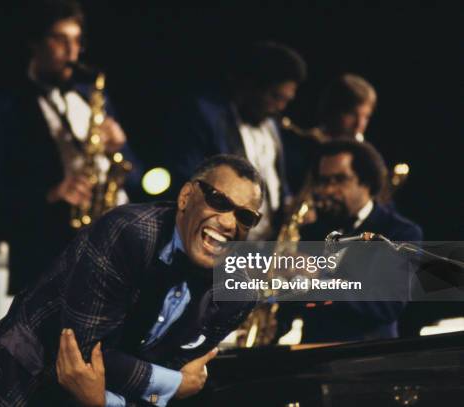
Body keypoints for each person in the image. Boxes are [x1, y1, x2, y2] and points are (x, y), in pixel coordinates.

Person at [0, 154, 262, 406]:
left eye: (245, 217)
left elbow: (165, 380)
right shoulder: (128, 233)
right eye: (218, 201)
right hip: (25, 384)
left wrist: (107, 402)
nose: (228, 222)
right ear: (186, 197)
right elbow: (80, 357)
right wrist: (174, 383)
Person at [0, 0, 142, 295]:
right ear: (35, 43)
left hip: (110, 250)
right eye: (60, 40)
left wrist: (119, 147)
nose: (72, 51)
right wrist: (50, 194)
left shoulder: (92, 99)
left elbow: (137, 177)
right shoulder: (5, 109)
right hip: (48, 257)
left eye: (77, 41)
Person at [279, 140, 422, 342]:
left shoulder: (401, 233)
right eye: (323, 181)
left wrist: (318, 278)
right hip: (312, 358)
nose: (327, 190)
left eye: (339, 180)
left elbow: (386, 305)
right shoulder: (312, 231)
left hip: (369, 359)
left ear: (367, 183)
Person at [164, 41, 307, 240]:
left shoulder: (271, 123)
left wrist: (289, 204)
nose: (281, 107)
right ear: (250, 86)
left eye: (286, 100)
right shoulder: (205, 115)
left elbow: (275, 179)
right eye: (275, 97)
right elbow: (187, 181)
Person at [283, 73, 377, 193]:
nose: (359, 124)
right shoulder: (300, 148)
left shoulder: (364, 158)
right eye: (352, 114)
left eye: (366, 117)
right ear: (332, 111)